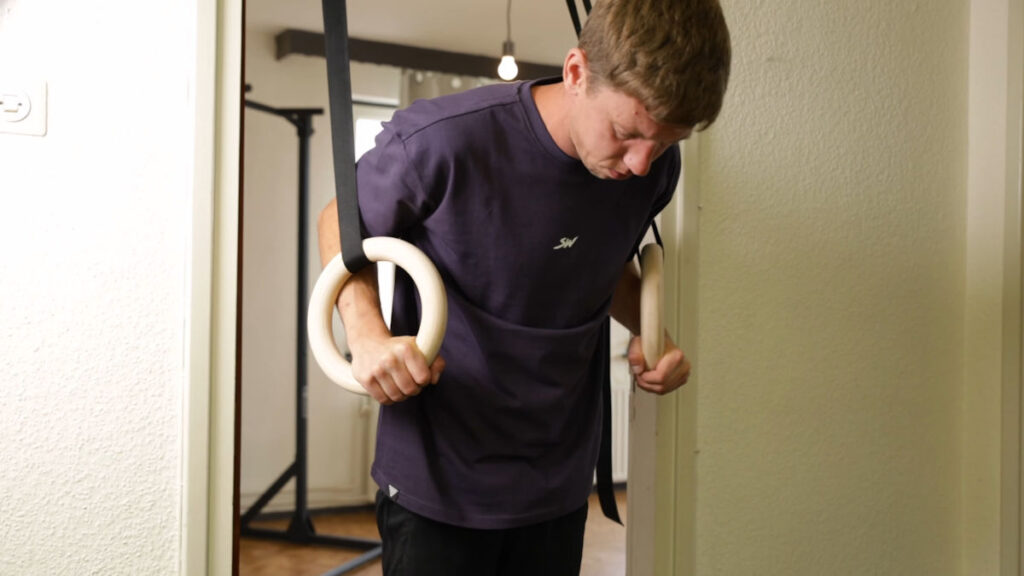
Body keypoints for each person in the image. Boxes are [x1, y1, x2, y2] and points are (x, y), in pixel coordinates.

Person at [317, 0, 731, 573]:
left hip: (556, 483)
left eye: (662, 143)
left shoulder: (653, 170)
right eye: (625, 133)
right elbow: (343, 220)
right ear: (576, 72)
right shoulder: (445, 142)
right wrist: (365, 335)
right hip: (440, 480)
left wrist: (651, 333)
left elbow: (598, 261)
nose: (640, 165)